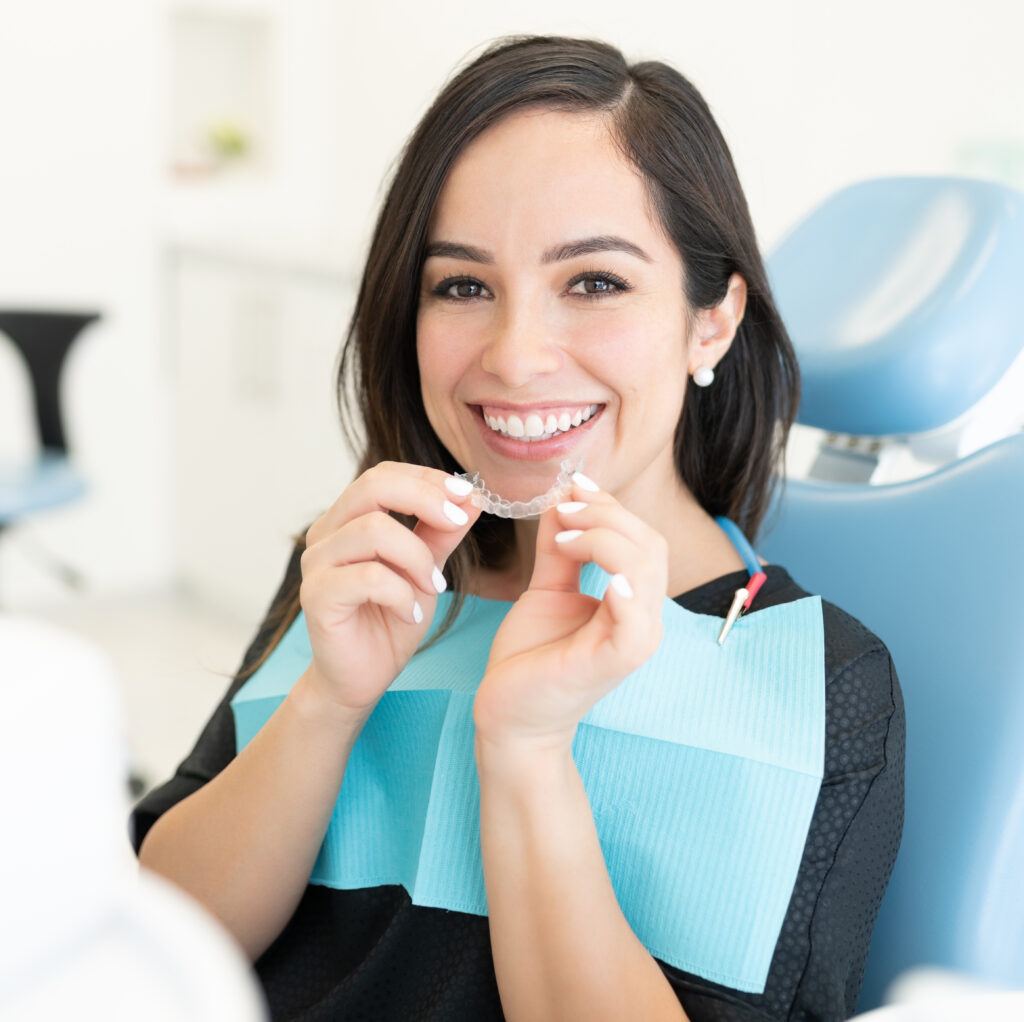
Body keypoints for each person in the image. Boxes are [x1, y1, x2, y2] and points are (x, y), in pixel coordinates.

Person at [132, 35, 905, 1022]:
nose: (516, 354)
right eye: (461, 285)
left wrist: (526, 745)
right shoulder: (366, 568)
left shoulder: (820, 679)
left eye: (593, 282)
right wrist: (328, 698)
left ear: (709, 322)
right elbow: (148, 942)